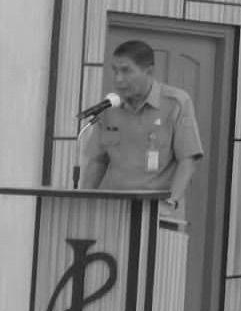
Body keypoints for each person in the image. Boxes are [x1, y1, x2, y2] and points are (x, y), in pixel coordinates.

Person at [80, 40, 205, 214]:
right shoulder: (110, 108)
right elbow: (97, 161)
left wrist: (170, 203)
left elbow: (187, 160)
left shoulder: (175, 103)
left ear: (149, 71)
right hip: (114, 211)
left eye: (126, 71)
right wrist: (82, 203)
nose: (118, 79)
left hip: (159, 211)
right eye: (115, 71)